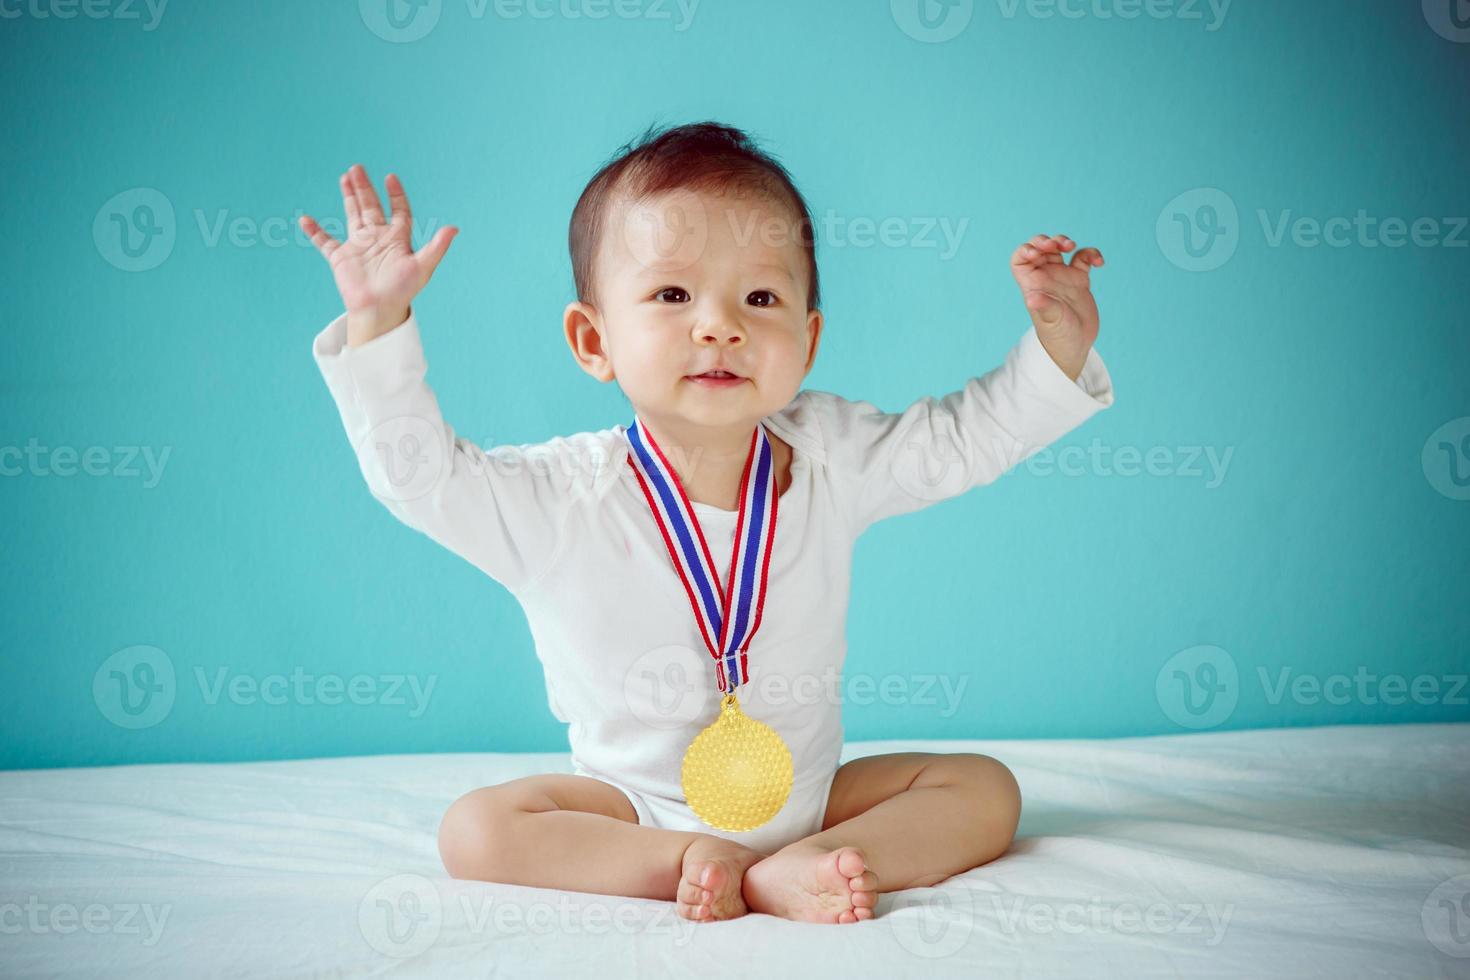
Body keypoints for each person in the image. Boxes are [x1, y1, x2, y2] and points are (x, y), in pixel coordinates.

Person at [301, 121, 1113, 924]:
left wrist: (1057, 352)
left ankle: (804, 866)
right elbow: (423, 482)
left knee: (982, 787)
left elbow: (961, 441)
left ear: (808, 339)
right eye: (672, 294)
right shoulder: (561, 497)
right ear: (593, 340)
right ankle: (690, 862)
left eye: (761, 297)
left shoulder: (832, 454)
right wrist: (379, 327)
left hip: (811, 797)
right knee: (475, 830)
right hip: (628, 811)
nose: (719, 324)